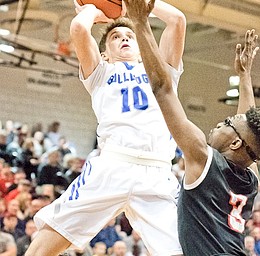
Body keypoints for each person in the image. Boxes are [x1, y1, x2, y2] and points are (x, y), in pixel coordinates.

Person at [25, 0, 186, 255]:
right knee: (52, 234)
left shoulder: (161, 70)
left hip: (157, 173)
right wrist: (93, 10)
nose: (124, 39)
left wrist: (135, 5)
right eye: (115, 36)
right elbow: (79, 28)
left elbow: (177, 20)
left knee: (183, 249)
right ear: (104, 53)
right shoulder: (100, 72)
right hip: (112, 166)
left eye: (130, 36)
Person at [124, 0, 260, 254]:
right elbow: (248, 125)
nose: (220, 123)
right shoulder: (251, 178)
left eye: (227, 123)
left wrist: (141, 23)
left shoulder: (203, 158)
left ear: (235, 143)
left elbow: (162, 89)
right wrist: (244, 77)